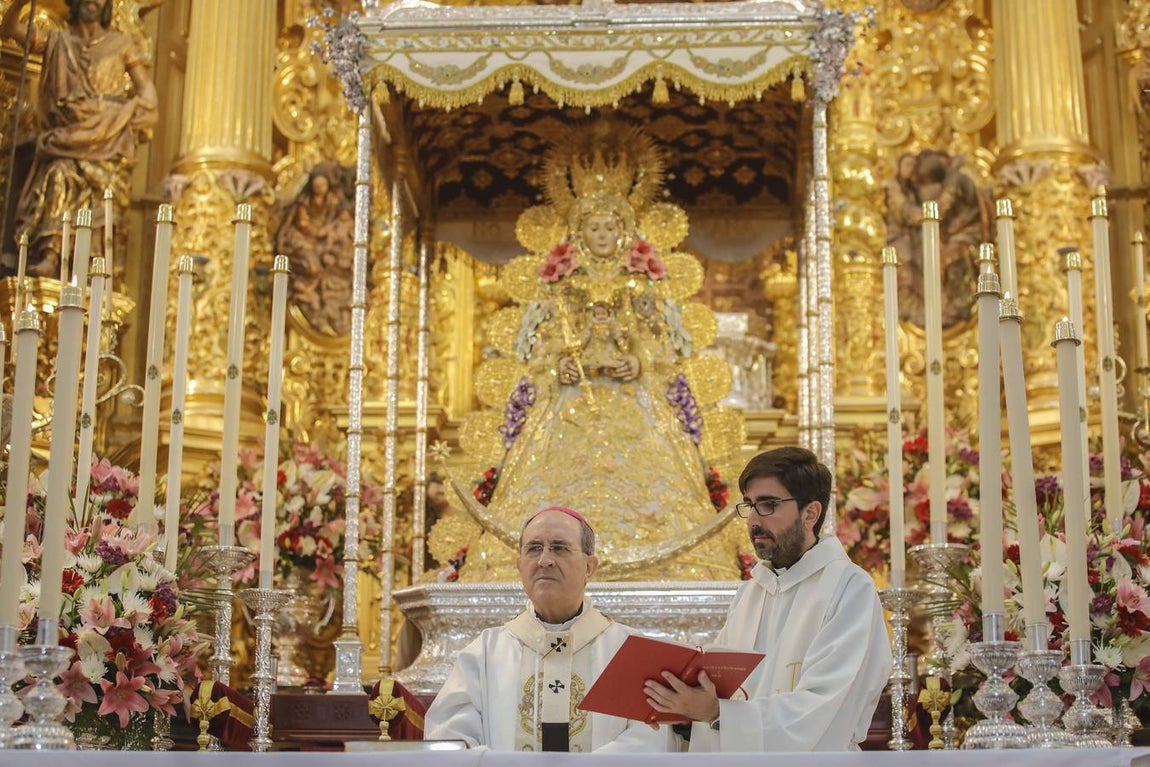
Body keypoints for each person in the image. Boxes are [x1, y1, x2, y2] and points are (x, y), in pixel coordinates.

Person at [642, 447, 892, 751]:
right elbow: (720, 690)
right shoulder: (750, 593)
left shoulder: (849, 588)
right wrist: (684, 713)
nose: (753, 520)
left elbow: (828, 709)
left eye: (768, 505)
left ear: (810, 513)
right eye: (749, 505)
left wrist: (718, 714)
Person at [425, 506, 672, 752]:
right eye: (534, 548)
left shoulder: (630, 652)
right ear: (520, 566)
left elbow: (650, 742)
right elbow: (450, 740)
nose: (544, 560)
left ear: (589, 567)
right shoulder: (484, 654)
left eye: (560, 548)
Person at [1, 0, 158, 276]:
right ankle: (52, 253)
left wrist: (124, 116)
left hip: (105, 140)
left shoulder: (121, 45)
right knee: (58, 174)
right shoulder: (57, 41)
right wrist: (21, 2)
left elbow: (147, 93)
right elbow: (9, 29)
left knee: (106, 188)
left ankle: (92, 265)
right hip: (65, 140)